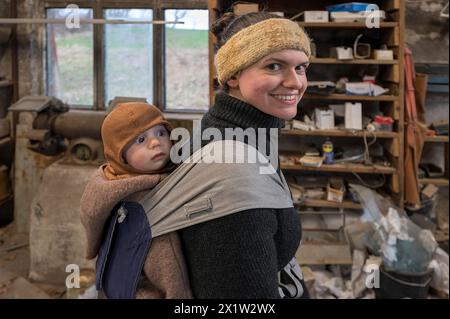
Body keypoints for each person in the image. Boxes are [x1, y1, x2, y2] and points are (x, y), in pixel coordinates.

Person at [179, 12, 311, 298]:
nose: (295, 82)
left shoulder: (237, 133)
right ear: (234, 75)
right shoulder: (233, 171)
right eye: (275, 66)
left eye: (301, 68)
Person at [79, 102, 192, 299]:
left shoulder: (108, 180)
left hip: (112, 285)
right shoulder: (148, 203)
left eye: (161, 133)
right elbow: (169, 268)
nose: (155, 143)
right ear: (120, 155)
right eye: (141, 139)